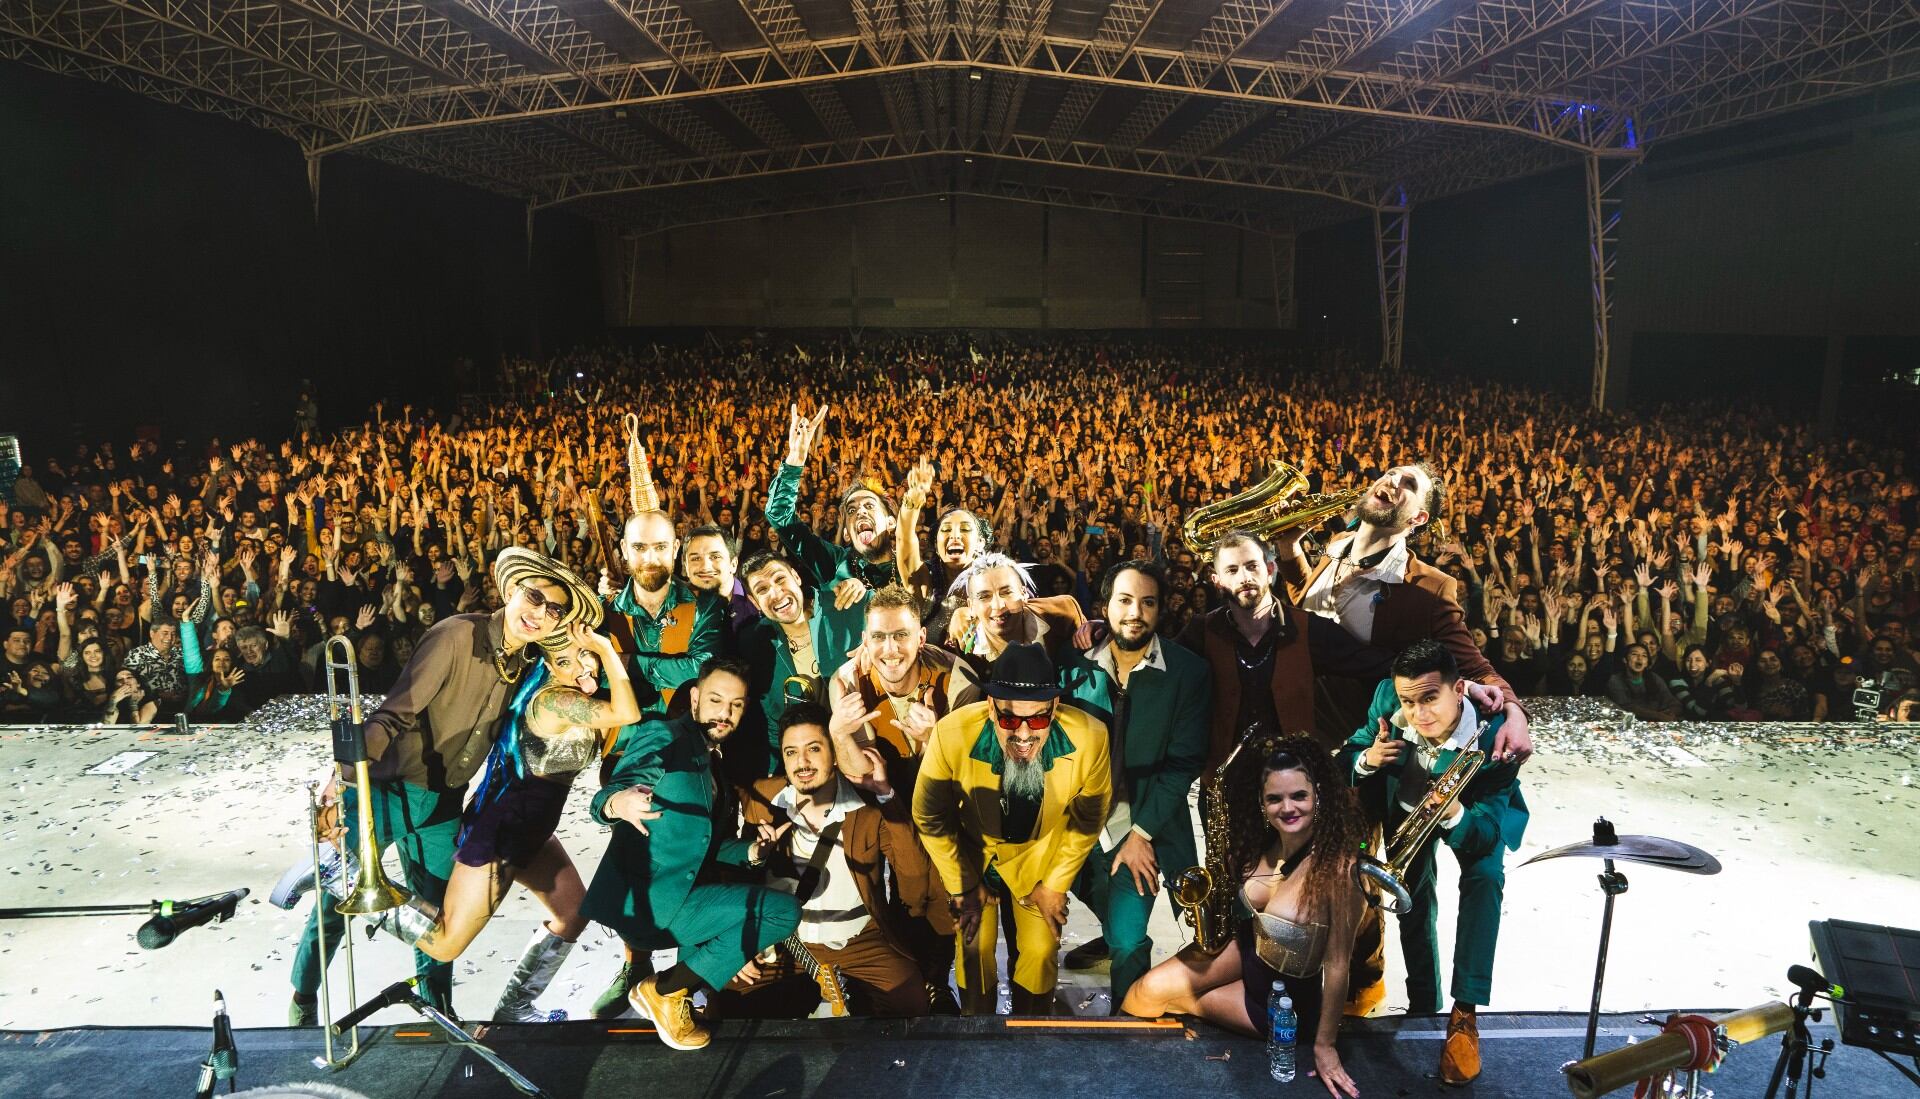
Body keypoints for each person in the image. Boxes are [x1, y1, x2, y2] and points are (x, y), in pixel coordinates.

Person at [280, 547, 588, 1023]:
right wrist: (341, 778)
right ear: (510, 591)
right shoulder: (454, 636)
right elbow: (392, 714)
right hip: (383, 793)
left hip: (443, 803)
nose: (539, 614)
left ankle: (436, 1008)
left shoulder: (529, 665)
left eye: (554, 610)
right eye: (533, 597)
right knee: (337, 900)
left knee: (438, 914)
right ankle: (303, 997)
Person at [359, 619, 640, 1023]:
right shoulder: (552, 702)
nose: (581, 668)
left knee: (573, 912)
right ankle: (352, 883)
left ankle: (515, 1008)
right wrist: (604, 650)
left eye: (586, 657)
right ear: (547, 665)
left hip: (532, 831)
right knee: (444, 943)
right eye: (566, 660)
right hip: (502, 831)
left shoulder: (575, 690)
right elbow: (626, 713)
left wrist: (600, 647)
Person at [1121, 735, 1366, 1099]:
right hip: (1248, 950)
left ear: (1319, 795)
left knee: (1165, 1002)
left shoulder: (1339, 868)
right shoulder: (1265, 840)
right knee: (1142, 995)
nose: (1287, 808)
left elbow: (1339, 966)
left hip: (1278, 1002)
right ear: (1262, 802)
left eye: (1299, 795)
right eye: (1275, 798)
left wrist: (1325, 1046)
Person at [581, 657, 802, 1050]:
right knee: (781, 911)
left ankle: (674, 995)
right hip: (649, 903)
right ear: (696, 699)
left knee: (763, 927)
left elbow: (706, 847)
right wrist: (618, 803)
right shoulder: (664, 736)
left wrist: (751, 850)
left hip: (682, 900)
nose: (725, 713)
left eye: (735, 705)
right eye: (716, 700)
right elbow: (613, 791)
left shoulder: (715, 765)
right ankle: (664, 991)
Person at [1337, 641, 1530, 1086]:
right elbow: (1351, 750)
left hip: (1473, 810)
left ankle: (1464, 1015)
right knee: (1412, 893)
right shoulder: (1388, 697)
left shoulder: (1498, 733)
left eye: (1430, 699)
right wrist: (1367, 759)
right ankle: (1425, 1003)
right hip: (1407, 802)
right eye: (1410, 701)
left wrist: (1454, 812)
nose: (1419, 713)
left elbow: (1485, 833)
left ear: (1460, 689)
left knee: (1486, 877)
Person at [1275, 463, 1533, 763]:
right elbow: (1309, 601)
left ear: (1418, 518)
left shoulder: (1429, 588)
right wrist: (1288, 547)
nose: (1392, 479)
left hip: (1341, 746)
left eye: (1409, 483)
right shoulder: (1337, 544)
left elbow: (1475, 668)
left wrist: (1516, 714)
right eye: (1390, 474)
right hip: (1286, 710)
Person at [912, 641, 1112, 1015]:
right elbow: (929, 815)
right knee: (974, 948)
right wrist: (962, 885)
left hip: (1039, 860)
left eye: (1036, 719)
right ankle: (977, 1032)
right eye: (1009, 718)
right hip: (974, 855)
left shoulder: (1091, 736)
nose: (1022, 734)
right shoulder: (951, 733)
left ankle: (1032, 1037)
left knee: (1039, 952)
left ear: (1055, 709)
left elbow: (1088, 817)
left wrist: (1055, 884)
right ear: (990, 708)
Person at [1058, 560, 1212, 1009]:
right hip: (1080, 821)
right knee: (1070, 891)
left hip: (1142, 823)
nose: (1135, 612)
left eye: (1148, 602)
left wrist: (1141, 834)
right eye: (1124, 601)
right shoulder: (1073, 664)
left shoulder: (1188, 672)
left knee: (1127, 936)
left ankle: (1130, 1019)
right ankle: (1110, 937)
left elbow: (1182, 764)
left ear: (1161, 610)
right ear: (1104, 606)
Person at [726, 704, 931, 1018]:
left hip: (859, 940)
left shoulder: (865, 806)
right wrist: (739, 941)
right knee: (727, 1000)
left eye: (813, 749)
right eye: (791, 752)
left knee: (910, 1002)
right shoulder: (764, 798)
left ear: (834, 753)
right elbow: (737, 874)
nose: (802, 762)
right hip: (784, 942)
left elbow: (915, 871)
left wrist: (886, 795)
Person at [772, 404, 899, 590]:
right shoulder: (834, 563)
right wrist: (795, 460)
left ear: (890, 523)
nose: (861, 511)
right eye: (852, 510)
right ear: (846, 532)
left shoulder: (914, 569)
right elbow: (780, 515)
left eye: (870, 506)